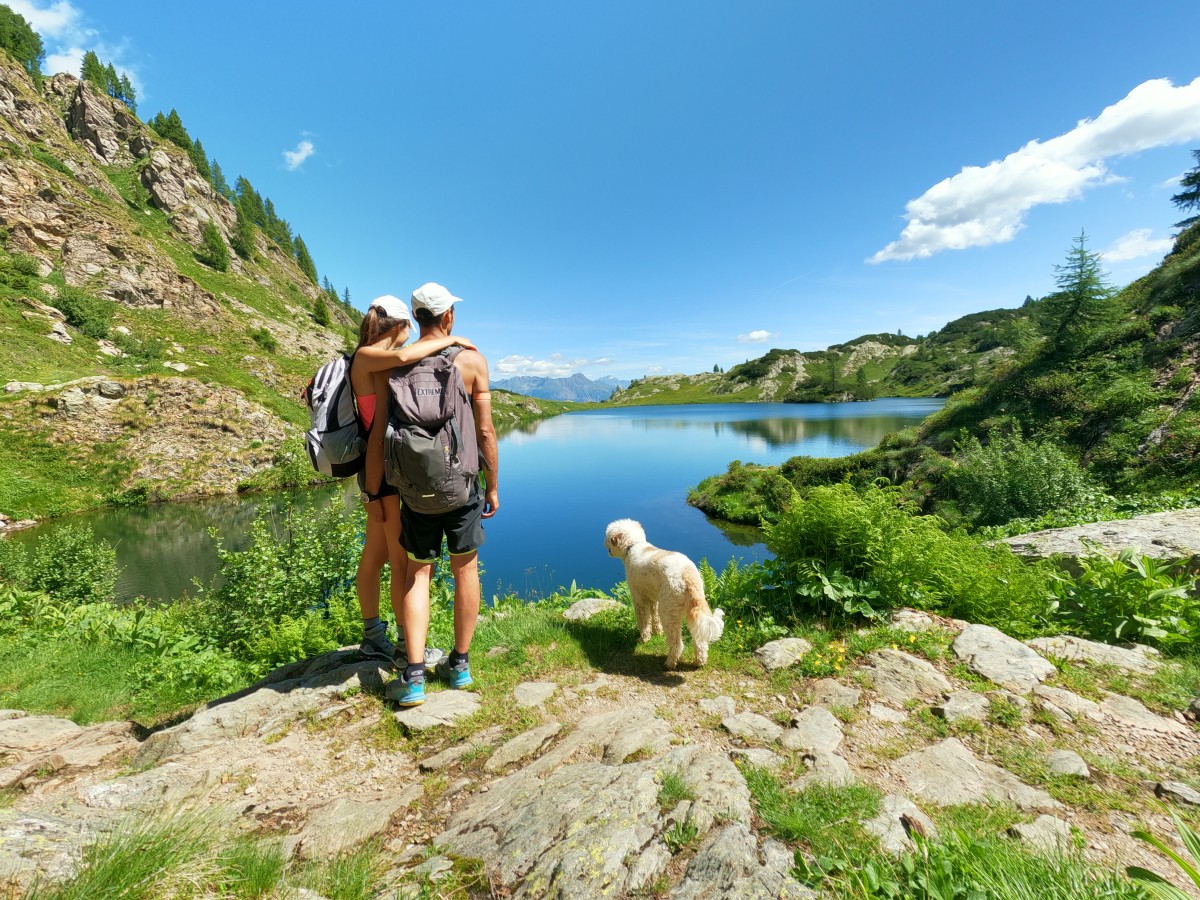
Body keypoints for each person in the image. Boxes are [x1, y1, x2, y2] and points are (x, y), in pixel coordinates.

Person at [368, 282, 499, 707]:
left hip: (415, 491)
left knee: (417, 573)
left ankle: (415, 675)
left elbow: (381, 433)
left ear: (417, 316)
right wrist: (492, 485)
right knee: (465, 570)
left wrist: (376, 488)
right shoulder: (472, 362)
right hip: (461, 487)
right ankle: (459, 666)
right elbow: (484, 432)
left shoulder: (394, 366)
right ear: (448, 317)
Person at [350, 294, 475, 665]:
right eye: (409, 329)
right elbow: (406, 359)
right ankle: (406, 646)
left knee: (375, 554)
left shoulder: (376, 359)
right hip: (384, 470)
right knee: (400, 562)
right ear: (402, 326)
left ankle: (374, 634)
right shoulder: (369, 357)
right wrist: (450, 339)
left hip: (381, 466)